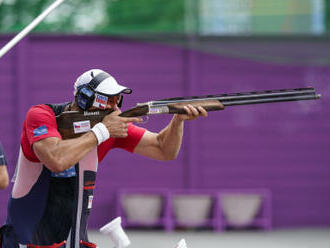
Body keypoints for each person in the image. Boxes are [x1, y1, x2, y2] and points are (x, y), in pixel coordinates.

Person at [1, 69, 221, 248]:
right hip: (25, 241)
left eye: (118, 99)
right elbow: (56, 159)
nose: (115, 107)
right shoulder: (42, 115)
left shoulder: (108, 128)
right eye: (108, 100)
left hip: (74, 240)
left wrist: (177, 121)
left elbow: (164, 149)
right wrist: (100, 132)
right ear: (85, 98)